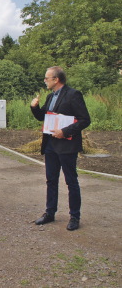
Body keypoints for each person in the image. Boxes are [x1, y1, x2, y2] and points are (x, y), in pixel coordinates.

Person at [31, 66, 90, 231]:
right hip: (50, 144)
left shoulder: (73, 95)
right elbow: (43, 117)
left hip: (67, 145)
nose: (45, 81)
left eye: (46, 78)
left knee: (71, 181)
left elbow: (85, 120)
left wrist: (65, 131)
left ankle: (74, 216)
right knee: (51, 180)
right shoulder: (50, 97)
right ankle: (50, 213)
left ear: (56, 79)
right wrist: (35, 107)